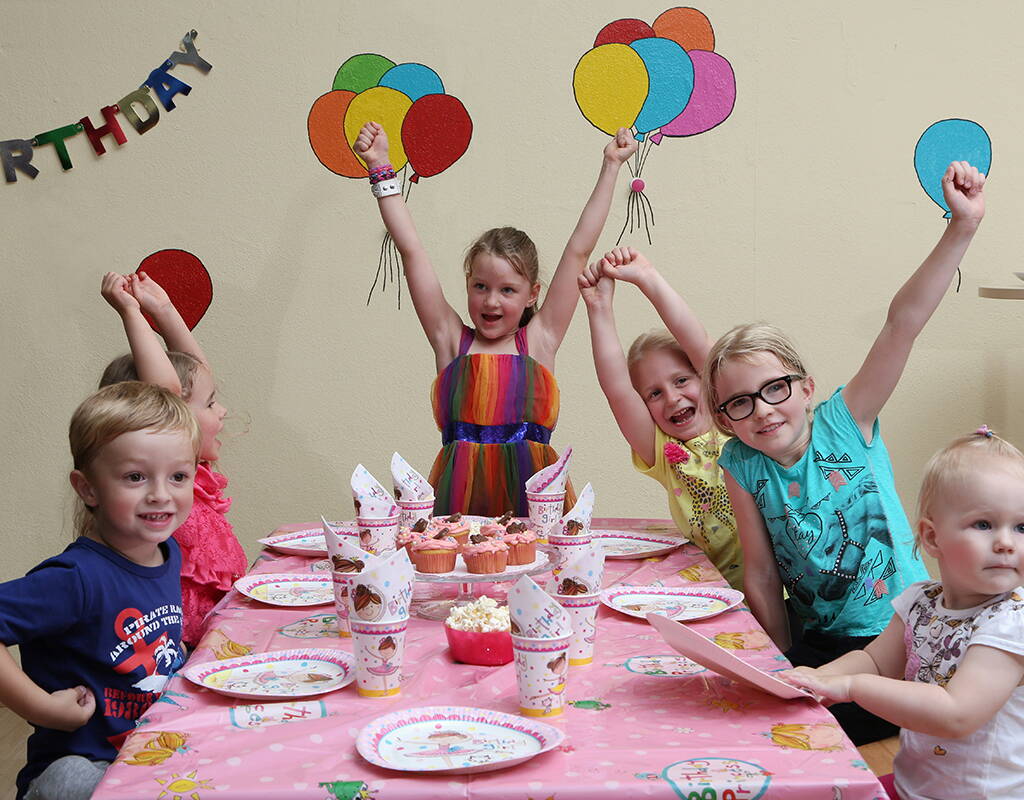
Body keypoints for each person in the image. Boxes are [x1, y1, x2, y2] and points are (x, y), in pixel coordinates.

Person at [702, 161, 986, 743]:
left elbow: (901, 324)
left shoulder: (845, 420)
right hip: (823, 640)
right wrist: (778, 660)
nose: (761, 410)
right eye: (739, 404)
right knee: (740, 710)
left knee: (804, 730)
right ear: (725, 421)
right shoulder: (743, 464)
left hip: (895, 638)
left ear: (805, 389)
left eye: (774, 389)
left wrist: (962, 227)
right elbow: (759, 572)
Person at [353, 121, 637, 516]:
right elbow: (411, 250)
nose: (491, 301)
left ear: (532, 294)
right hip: (457, 506)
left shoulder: (541, 339)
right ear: (468, 285)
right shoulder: (450, 340)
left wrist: (611, 166)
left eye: (507, 291)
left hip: (532, 504)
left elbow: (578, 250)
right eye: (481, 286)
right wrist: (380, 167)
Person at [783, 429, 1024, 800]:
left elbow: (956, 714)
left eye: (1022, 527)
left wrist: (850, 688)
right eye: (984, 524)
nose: (1007, 542)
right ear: (931, 537)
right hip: (915, 787)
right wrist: (817, 678)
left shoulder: (1011, 622)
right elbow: (875, 661)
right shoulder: (920, 601)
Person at [0, 381, 200, 800]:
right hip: (84, 770)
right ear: (88, 488)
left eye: (178, 476)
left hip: (147, 756)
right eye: (135, 477)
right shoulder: (75, 578)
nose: (160, 494)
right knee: (74, 777)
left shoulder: (167, 551)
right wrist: (38, 706)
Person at [578, 247, 742, 589]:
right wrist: (599, 308)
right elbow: (618, 388)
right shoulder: (663, 453)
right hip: (714, 593)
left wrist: (648, 278)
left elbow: (702, 346)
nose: (672, 398)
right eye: (654, 394)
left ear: (705, 377)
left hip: (777, 593)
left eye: (682, 380)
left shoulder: (734, 421)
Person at [100, 271, 246, 647]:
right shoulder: (168, 472)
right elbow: (166, 393)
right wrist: (130, 313)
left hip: (216, 639)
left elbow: (198, 376)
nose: (224, 411)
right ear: (170, 417)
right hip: (179, 652)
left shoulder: (191, 474)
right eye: (211, 404)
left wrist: (164, 310)